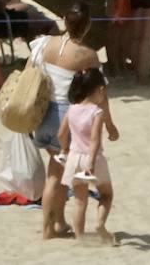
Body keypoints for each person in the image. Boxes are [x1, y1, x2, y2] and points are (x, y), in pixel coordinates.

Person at [31, 2, 109, 239]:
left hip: (43, 112)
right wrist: (110, 124)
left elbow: (30, 71)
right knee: (55, 176)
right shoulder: (87, 55)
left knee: (59, 170)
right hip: (65, 116)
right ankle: (48, 228)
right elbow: (100, 92)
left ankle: (59, 222)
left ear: (64, 20)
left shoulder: (45, 43)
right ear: (88, 26)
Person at [57, 67, 118, 243]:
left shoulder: (72, 109)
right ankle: (100, 224)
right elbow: (95, 140)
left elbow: (61, 134)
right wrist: (90, 163)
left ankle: (80, 237)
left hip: (74, 158)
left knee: (79, 201)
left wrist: (64, 149)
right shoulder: (96, 112)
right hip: (92, 159)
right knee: (106, 195)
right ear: (100, 89)